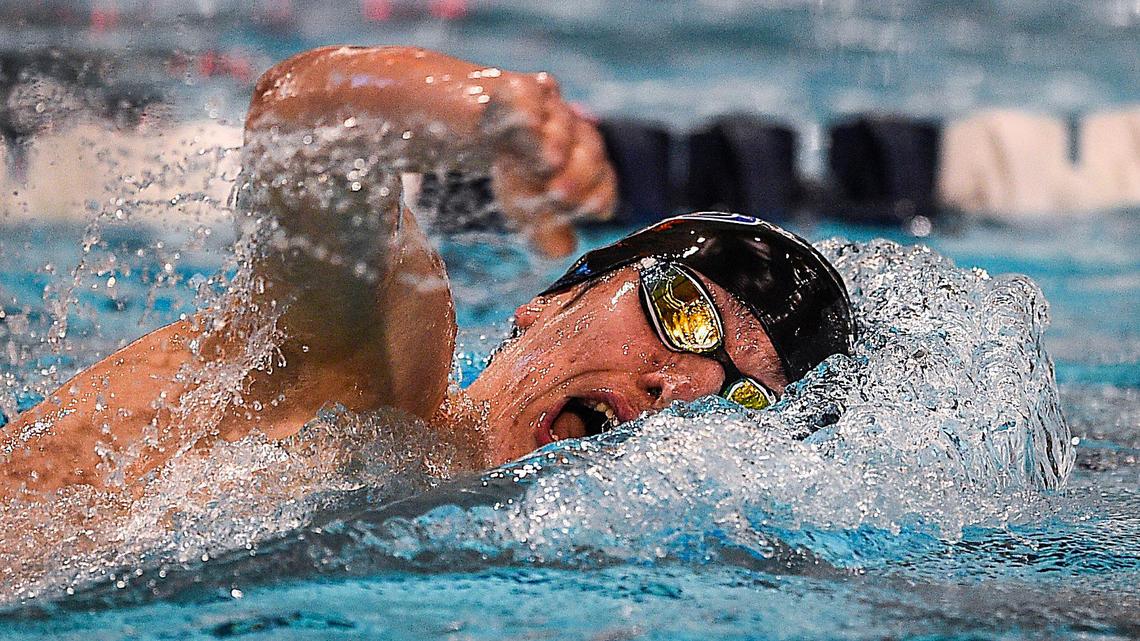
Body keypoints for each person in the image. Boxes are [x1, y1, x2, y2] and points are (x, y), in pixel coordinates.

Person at [0, 46, 854, 497]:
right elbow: (306, 121)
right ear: (551, 300)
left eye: (743, 395)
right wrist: (487, 110)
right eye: (682, 312)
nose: (686, 385)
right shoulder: (380, 368)